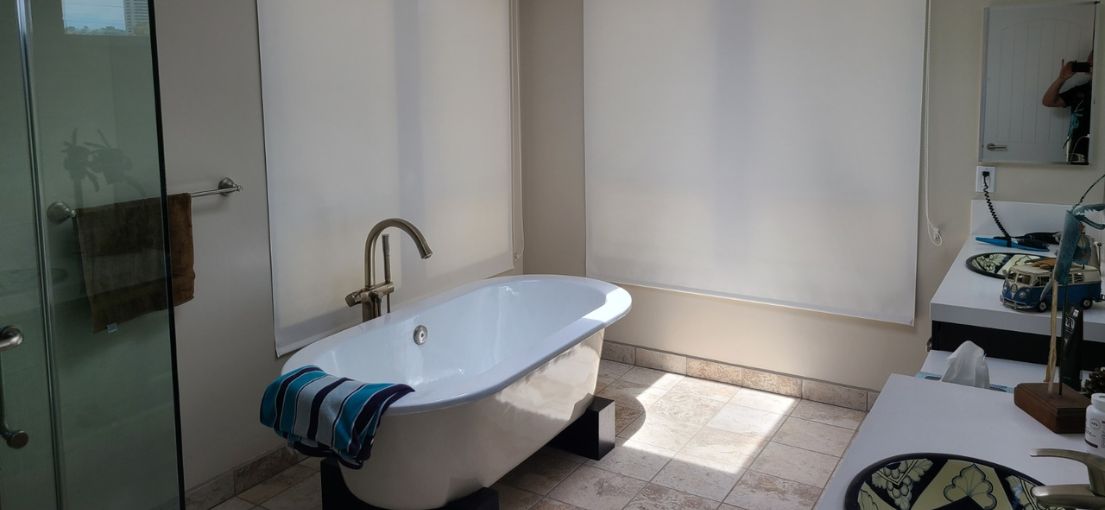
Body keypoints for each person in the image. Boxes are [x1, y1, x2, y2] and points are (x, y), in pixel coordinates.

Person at [1042, 53, 1092, 164]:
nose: (1090, 65)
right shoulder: (1081, 91)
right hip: (1077, 151)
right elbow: (1048, 101)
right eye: (1089, 63)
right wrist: (1061, 79)